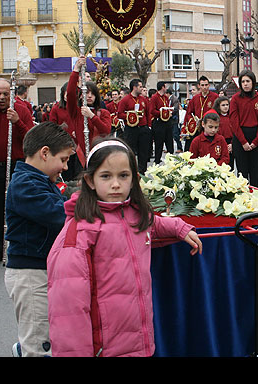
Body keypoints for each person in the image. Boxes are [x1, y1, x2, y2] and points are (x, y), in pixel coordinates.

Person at [47, 138, 202, 357]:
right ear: (90, 181)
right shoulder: (80, 231)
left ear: (134, 179)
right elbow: (68, 312)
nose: (116, 184)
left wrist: (179, 227)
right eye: (106, 176)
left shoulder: (134, 213)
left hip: (139, 341)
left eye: (123, 175)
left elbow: (152, 224)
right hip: (106, 347)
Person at [4, 121, 75, 357]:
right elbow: (60, 213)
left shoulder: (38, 180)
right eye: (63, 160)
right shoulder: (26, 185)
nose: (65, 167)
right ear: (45, 153)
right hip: (30, 275)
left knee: (46, 335)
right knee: (39, 343)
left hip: (40, 269)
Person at [0, 78, 35, 266]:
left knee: (19, 207)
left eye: (5, 94)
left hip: (17, 165)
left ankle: (19, 246)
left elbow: (31, 139)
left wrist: (17, 122)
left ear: (11, 94)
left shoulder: (21, 110)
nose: (1, 98)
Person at [67, 57, 112, 169]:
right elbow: (70, 94)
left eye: (92, 93)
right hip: (81, 157)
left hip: (99, 155)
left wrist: (92, 116)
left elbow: (106, 130)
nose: (89, 96)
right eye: (86, 93)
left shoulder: (104, 113)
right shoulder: (77, 112)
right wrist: (76, 70)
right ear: (81, 96)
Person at [229, 70, 258, 187]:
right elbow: (234, 122)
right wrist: (243, 142)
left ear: (253, 82)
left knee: (255, 172)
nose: (245, 84)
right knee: (242, 173)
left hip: (256, 137)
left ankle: (256, 199)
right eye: (243, 81)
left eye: (248, 81)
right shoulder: (235, 99)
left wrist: (256, 141)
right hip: (240, 138)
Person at [117, 77, 152, 174]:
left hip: (143, 128)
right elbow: (119, 114)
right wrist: (130, 115)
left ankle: (142, 172)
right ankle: (131, 171)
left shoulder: (143, 99)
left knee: (143, 152)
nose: (142, 89)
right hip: (131, 129)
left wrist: (149, 126)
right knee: (131, 151)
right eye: (140, 87)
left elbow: (148, 113)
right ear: (134, 87)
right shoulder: (125, 100)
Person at [182, 76, 218, 152]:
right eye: (202, 85)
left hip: (209, 127)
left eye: (206, 85)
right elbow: (189, 113)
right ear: (199, 86)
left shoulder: (215, 97)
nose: (204, 87)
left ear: (209, 85)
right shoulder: (195, 98)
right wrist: (193, 121)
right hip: (197, 128)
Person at [150, 82, 175, 164]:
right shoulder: (154, 98)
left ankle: (171, 159)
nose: (166, 88)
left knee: (169, 141)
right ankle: (157, 160)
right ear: (162, 87)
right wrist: (161, 113)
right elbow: (152, 111)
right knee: (159, 143)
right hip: (159, 122)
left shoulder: (165, 98)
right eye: (165, 86)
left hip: (167, 122)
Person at [213, 96, 233, 164]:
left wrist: (232, 144)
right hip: (219, 142)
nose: (225, 107)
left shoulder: (232, 117)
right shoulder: (216, 117)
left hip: (230, 142)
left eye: (227, 105)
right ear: (218, 106)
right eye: (223, 105)